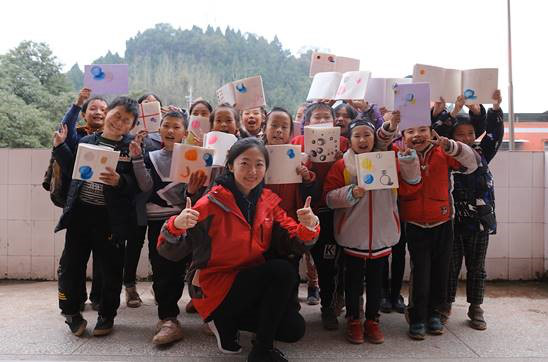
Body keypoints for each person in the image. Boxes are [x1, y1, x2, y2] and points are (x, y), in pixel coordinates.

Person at [157, 138, 320, 362]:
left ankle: (227, 322)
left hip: (248, 283)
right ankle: (262, 350)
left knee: (294, 329)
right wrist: (175, 226)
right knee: (282, 271)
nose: (252, 171)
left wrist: (310, 226)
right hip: (213, 285)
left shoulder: (268, 202)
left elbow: (294, 239)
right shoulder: (210, 203)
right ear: (231, 165)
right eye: (244, 163)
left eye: (259, 164)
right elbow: (169, 251)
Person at [53, 96, 140, 337]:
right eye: (116, 115)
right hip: (80, 216)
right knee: (71, 266)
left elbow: (139, 185)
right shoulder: (87, 141)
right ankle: (71, 313)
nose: (119, 122)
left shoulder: (131, 148)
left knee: (111, 269)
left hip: (110, 219)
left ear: (132, 126)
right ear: (108, 113)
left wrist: (121, 181)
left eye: (126, 120)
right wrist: (60, 147)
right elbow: (72, 172)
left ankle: (107, 314)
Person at [324, 113, 407, 344]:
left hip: (382, 235)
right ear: (349, 140)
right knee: (352, 282)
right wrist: (351, 193)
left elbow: (409, 179)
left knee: (376, 282)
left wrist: (406, 154)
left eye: (367, 135)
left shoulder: (388, 160)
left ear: (374, 138)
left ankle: (372, 320)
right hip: (353, 236)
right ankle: (352, 320)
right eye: (357, 135)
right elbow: (329, 198)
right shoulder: (342, 165)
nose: (362, 140)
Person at [396, 123, 478, 340]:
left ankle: (436, 313)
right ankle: (417, 317)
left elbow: (472, 164)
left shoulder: (443, 150)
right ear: (403, 136)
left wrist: (450, 145)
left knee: (442, 270)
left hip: (443, 220)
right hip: (414, 222)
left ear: (431, 132)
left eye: (422, 129)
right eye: (410, 131)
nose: (417, 135)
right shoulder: (399, 154)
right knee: (421, 271)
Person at [130, 110, 201, 345]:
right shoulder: (151, 157)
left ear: (185, 132)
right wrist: (138, 159)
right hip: (158, 221)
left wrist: (190, 192)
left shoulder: (194, 157)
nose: (171, 130)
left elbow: (195, 193)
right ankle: (168, 318)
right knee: (161, 266)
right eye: (166, 125)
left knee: (185, 267)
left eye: (176, 127)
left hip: (185, 219)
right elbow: (146, 186)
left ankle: (201, 309)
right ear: (159, 129)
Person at [443, 90, 504, 330]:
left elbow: (495, 134)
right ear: (451, 136)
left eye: (470, 133)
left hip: (479, 221)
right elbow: (435, 132)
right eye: (460, 134)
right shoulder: (445, 155)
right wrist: (454, 110)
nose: (466, 138)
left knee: (477, 268)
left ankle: (475, 307)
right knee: (451, 266)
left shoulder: (482, 152)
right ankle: (445, 304)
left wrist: (496, 109)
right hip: (452, 221)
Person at [291, 101, 349, 330]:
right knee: (293, 260)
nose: (322, 120)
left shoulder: (344, 144)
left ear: (335, 122)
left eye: (327, 116)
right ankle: (290, 306)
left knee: (327, 264)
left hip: (329, 213)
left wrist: (341, 161)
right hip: (302, 212)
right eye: (317, 117)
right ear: (306, 123)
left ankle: (328, 308)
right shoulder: (296, 144)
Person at [263, 107, 317, 306]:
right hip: (262, 223)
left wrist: (306, 177)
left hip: (289, 223)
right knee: (263, 265)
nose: (278, 130)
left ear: (291, 132)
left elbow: (310, 194)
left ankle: (290, 304)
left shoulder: (299, 158)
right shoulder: (256, 154)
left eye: (284, 127)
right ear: (265, 128)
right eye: (274, 125)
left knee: (291, 265)